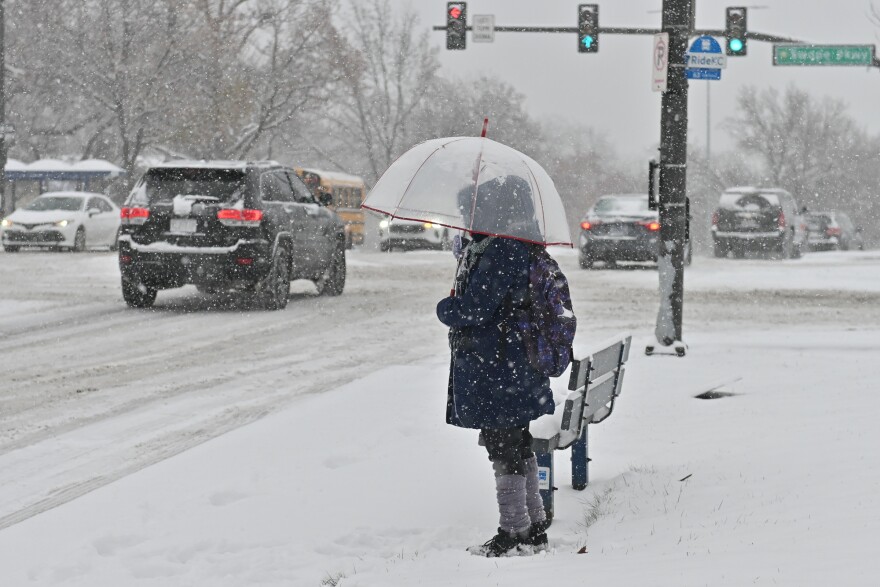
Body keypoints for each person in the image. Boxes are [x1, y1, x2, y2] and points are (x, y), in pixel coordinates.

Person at [436, 176, 554, 557]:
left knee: (502, 448)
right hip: (512, 362)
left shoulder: (501, 249)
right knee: (516, 443)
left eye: (468, 211)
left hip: (499, 364)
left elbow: (476, 308)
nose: (464, 219)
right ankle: (534, 526)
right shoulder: (519, 242)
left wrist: (446, 308)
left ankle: (513, 531)